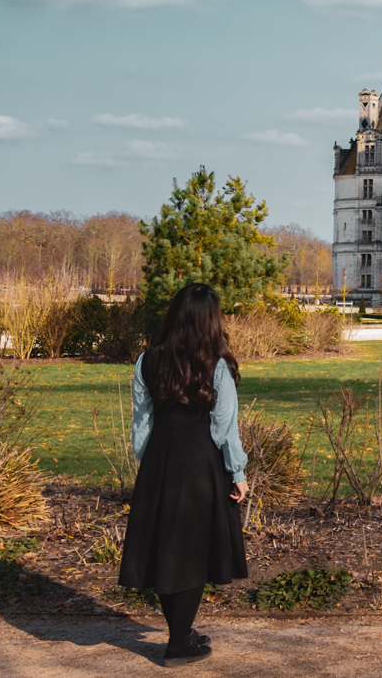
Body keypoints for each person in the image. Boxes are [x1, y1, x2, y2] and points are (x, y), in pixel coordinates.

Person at [118, 283, 249, 667]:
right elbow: (225, 427)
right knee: (192, 549)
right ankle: (178, 643)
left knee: (165, 546)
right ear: (211, 321)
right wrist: (237, 472)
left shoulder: (147, 360)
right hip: (200, 463)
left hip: (160, 461)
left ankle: (181, 635)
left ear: (174, 315)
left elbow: (141, 424)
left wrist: (151, 467)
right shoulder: (217, 365)